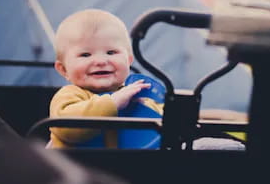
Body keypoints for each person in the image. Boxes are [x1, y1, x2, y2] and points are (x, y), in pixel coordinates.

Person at [48, 9, 247, 149]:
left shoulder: (137, 91)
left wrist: (152, 110)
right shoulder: (70, 95)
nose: (100, 61)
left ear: (129, 59)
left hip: (138, 166)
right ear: (63, 69)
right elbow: (68, 129)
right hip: (81, 171)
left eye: (111, 52)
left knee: (208, 147)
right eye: (85, 55)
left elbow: (163, 128)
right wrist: (113, 103)